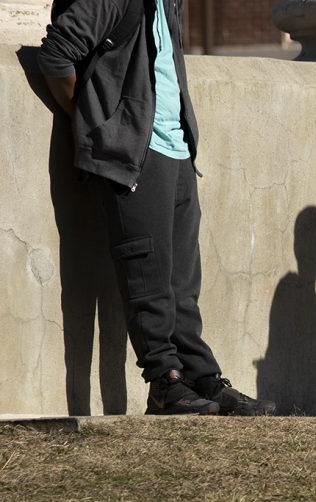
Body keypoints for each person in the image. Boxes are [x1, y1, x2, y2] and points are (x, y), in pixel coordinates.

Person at [38, 0, 275, 416]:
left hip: (179, 150)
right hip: (135, 153)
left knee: (182, 281)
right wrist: (96, 124)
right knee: (146, 273)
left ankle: (201, 377)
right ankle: (165, 382)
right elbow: (57, 53)